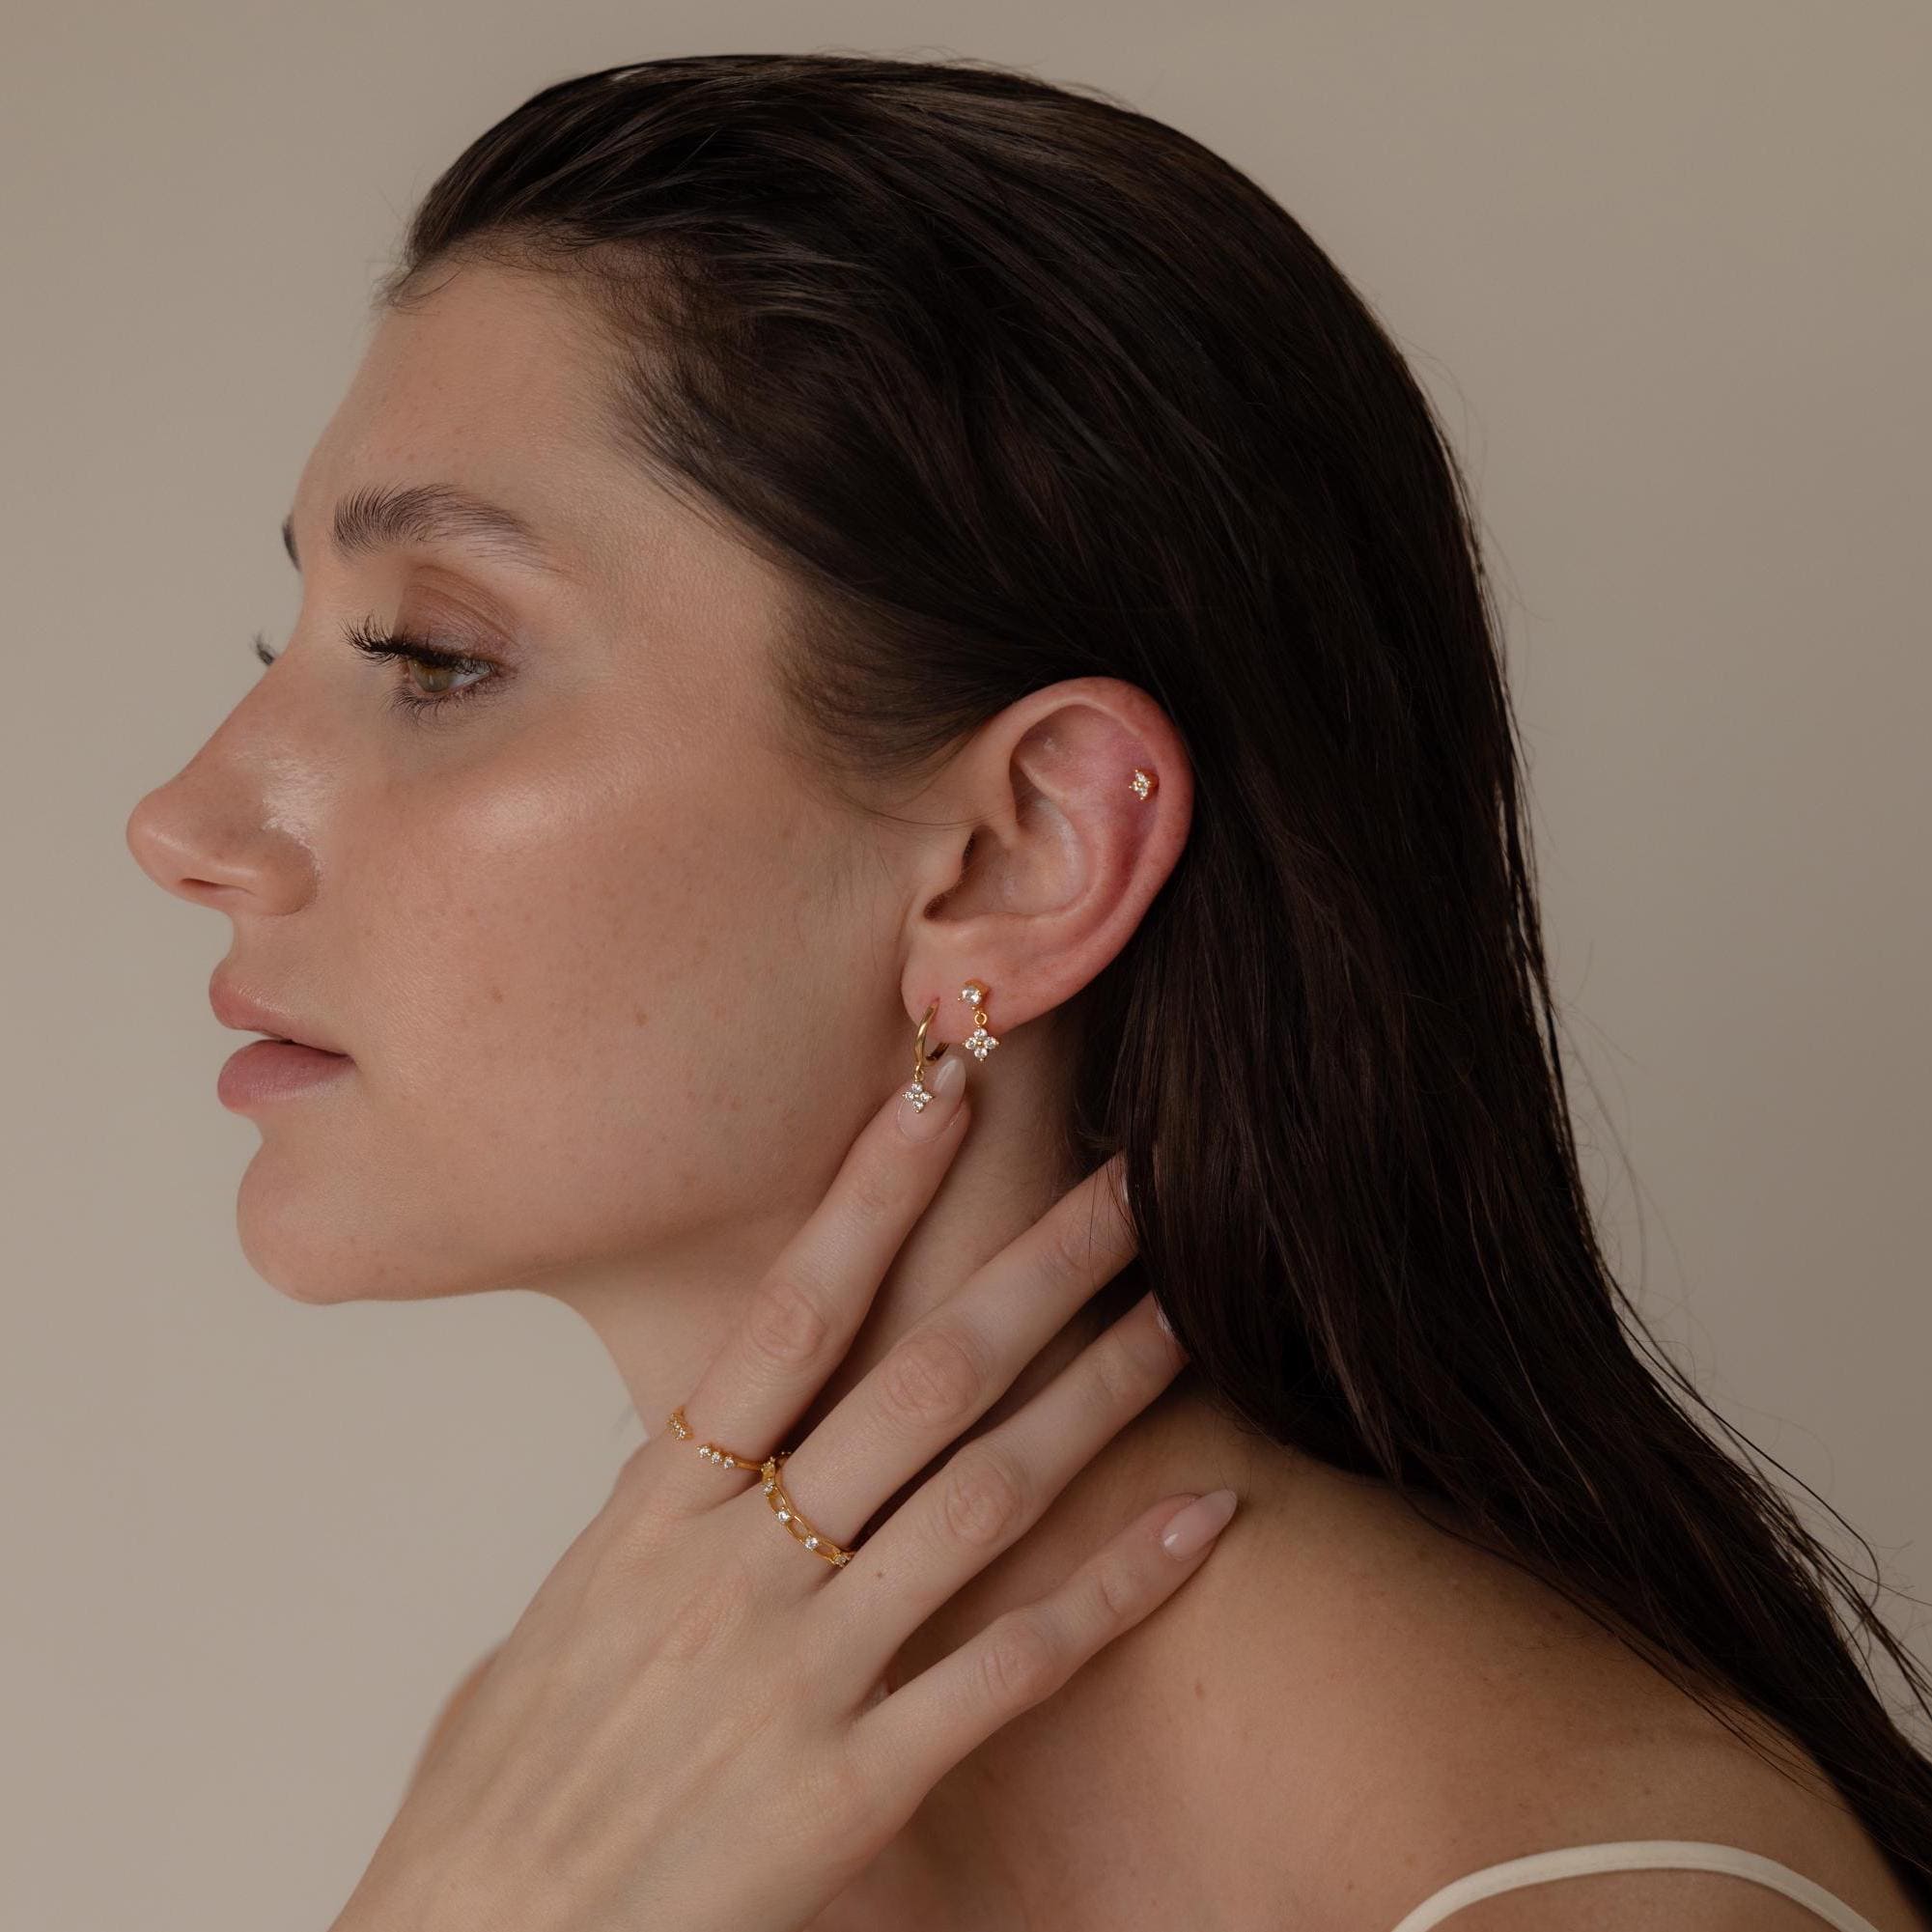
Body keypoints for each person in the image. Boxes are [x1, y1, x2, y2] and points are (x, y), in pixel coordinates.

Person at [124, 49, 1931, 1931]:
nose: (183, 818)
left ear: (1020, 852)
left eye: (431, 653)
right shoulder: (578, 1786)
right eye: (296, 640)